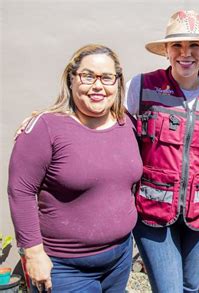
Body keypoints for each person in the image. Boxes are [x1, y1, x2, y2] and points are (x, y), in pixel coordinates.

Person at [8, 44, 143, 292]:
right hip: (66, 267)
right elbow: (21, 191)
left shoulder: (128, 125)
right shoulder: (45, 128)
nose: (98, 86)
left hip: (120, 257)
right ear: (71, 79)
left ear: (118, 83)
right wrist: (33, 253)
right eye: (88, 76)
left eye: (107, 78)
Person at [124, 10, 199, 292]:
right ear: (165, 50)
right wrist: (54, 117)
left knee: (191, 287)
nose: (185, 53)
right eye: (177, 45)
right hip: (152, 212)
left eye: (194, 46)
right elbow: (104, 119)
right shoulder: (141, 87)